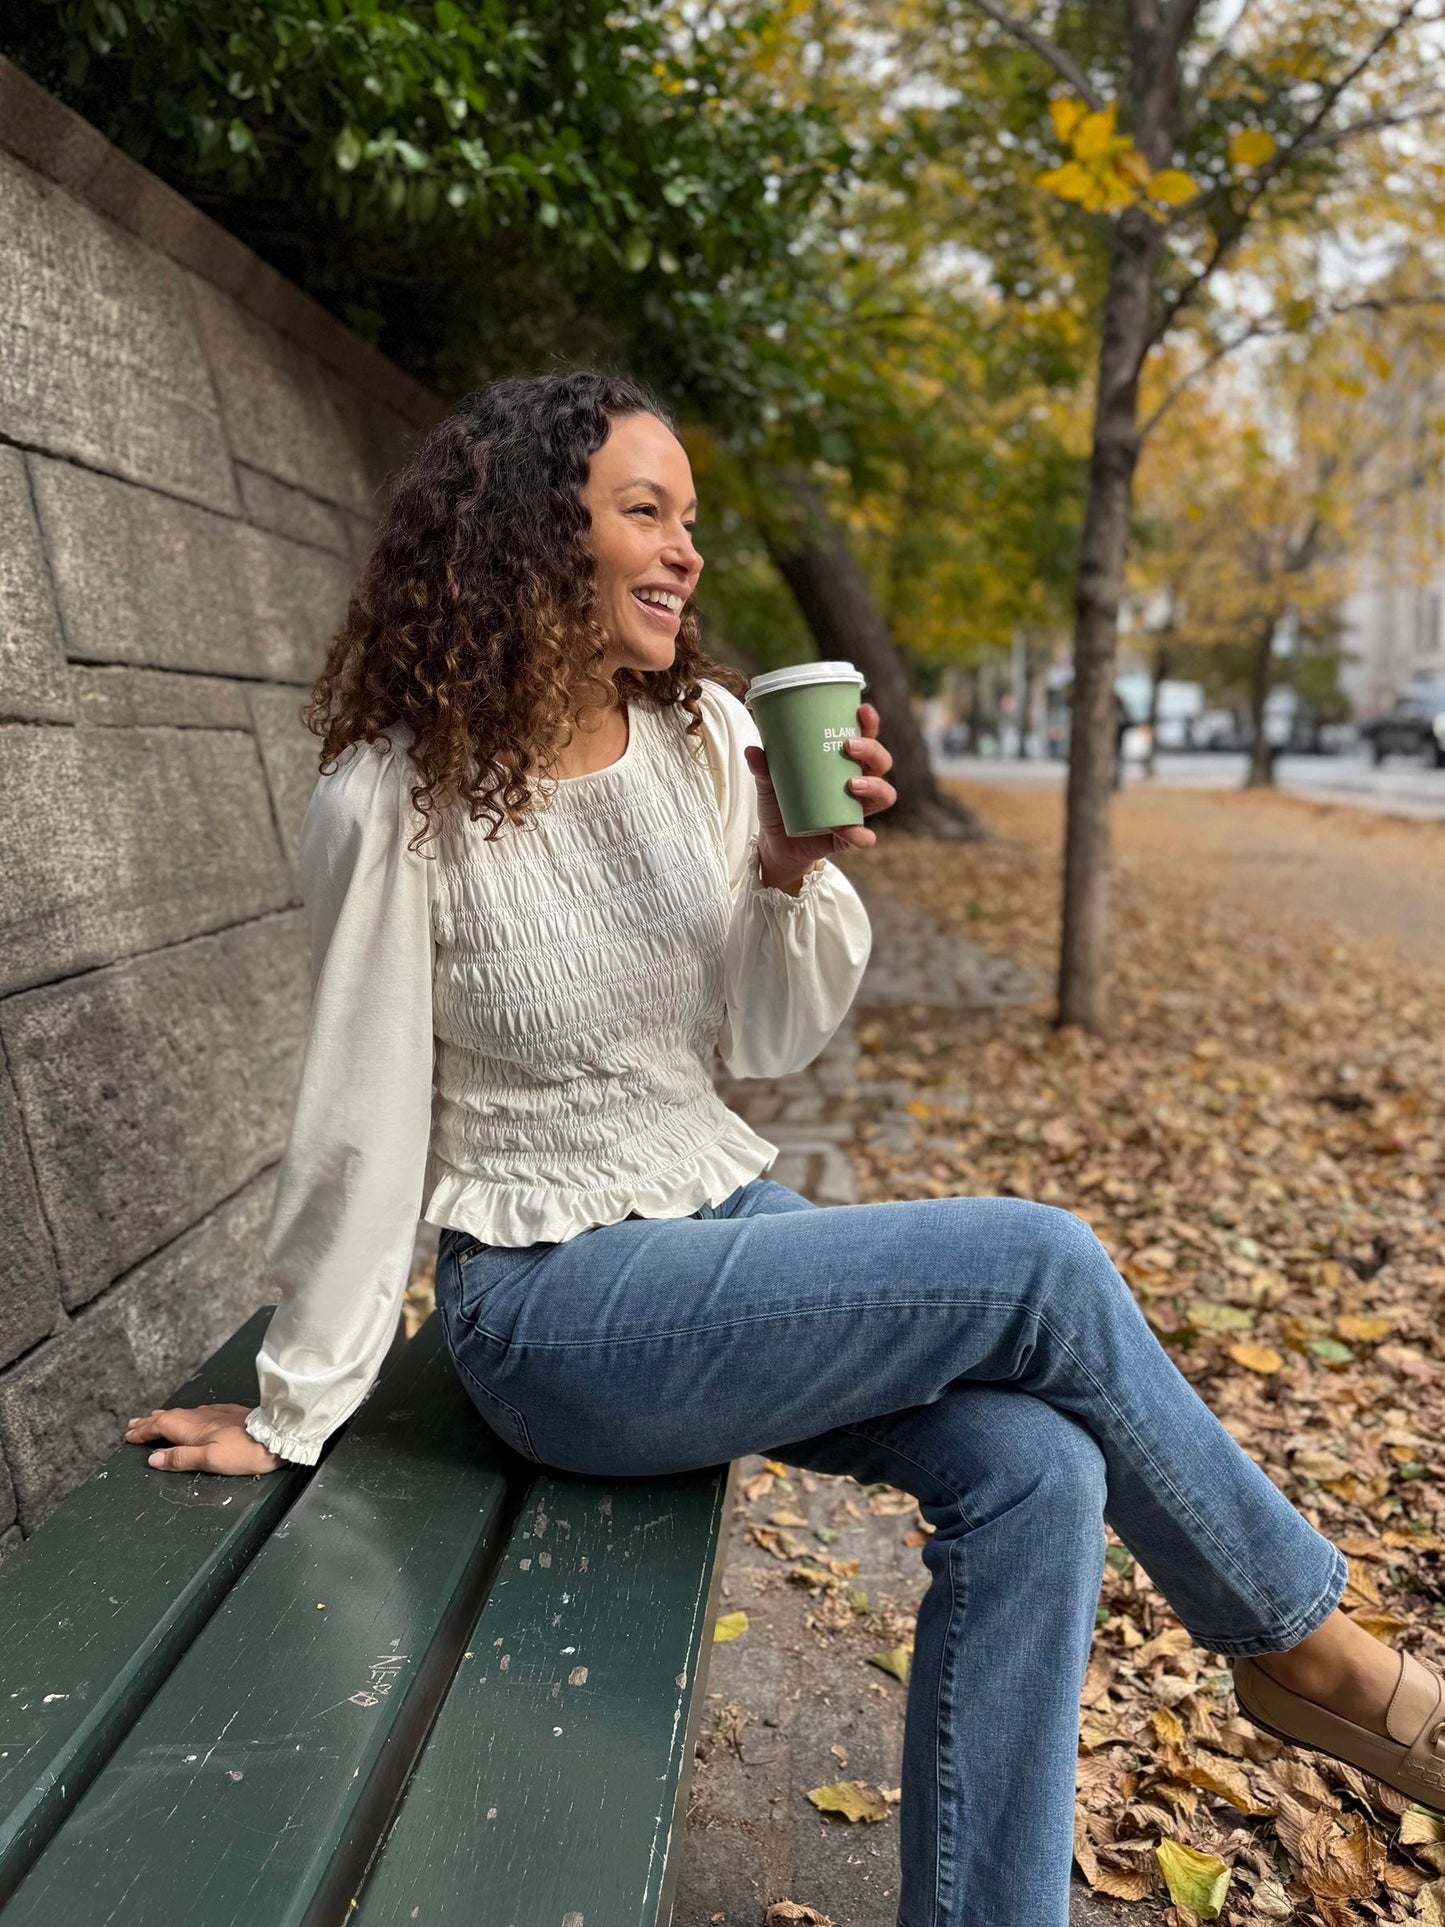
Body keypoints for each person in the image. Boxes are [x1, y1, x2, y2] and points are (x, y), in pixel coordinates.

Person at [123, 372, 1444, 1927]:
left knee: (1036, 1467)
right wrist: (297, 1403)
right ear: (532, 539)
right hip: (555, 1313)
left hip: (720, 1224)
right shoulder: (392, 797)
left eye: (689, 521)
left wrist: (785, 871)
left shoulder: (709, 738)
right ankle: (1308, 1651)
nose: (683, 552)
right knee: (1041, 1258)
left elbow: (764, 1038)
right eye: (642, 513)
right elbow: (357, 1107)